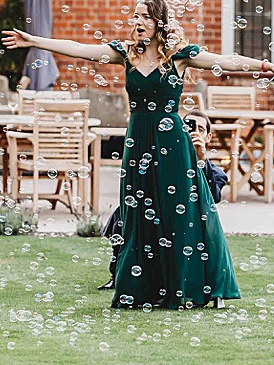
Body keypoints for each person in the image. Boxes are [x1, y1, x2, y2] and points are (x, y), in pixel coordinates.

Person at [2, 0, 274, 309]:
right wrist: (33, 40)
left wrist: (267, 66)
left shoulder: (179, 56)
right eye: (135, 16)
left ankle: (181, 289)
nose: (138, 22)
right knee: (138, 216)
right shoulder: (125, 54)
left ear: (159, 22)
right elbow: (79, 49)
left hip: (172, 143)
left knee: (175, 215)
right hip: (138, 141)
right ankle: (140, 289)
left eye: (144, 16)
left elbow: (226, 61)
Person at [97, 108, 229, 292]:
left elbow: (213, 197)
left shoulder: (215, 172)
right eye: (190, 127)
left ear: (208, 138)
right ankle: (117, 274)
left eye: (201, 129)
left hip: (189, 223)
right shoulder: (165, 160)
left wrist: (201, 159)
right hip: (160, 216)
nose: (195, 132)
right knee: (124, 210)